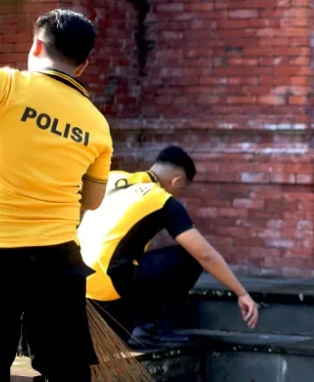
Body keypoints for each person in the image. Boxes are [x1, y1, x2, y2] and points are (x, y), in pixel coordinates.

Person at [0, 10, 119, 382]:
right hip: (58, 257)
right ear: (84, 63)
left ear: (37, 47)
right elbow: (94, 201)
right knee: (67, 364)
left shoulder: (7, 86)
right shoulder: (96, 123)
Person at [77, 146, 258, 347]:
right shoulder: (162, 200)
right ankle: (149, 328)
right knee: (190, 258)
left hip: (80, 283)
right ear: (177, 181)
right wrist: (241, 292)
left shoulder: (112, 179)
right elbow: (205, 254)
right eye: (181, 189)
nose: (178, 194)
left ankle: (133, 325)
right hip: (111, 286)